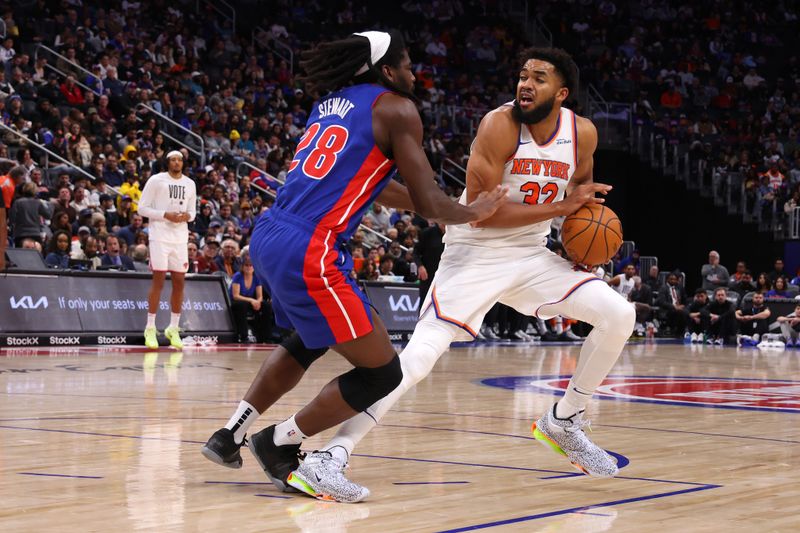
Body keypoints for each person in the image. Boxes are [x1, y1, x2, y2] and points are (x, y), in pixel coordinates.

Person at [203, 45, 627, 501]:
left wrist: (575, 236)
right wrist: (560, 206)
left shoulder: (582, 133)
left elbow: (580, 196)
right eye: (523, 75)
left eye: (539, 78)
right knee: (412, 361)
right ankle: (330, 454)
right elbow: (478, 215)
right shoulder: (498, 125)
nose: (525, 83)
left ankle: (564, 420)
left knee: (619, 315)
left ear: (562, 92)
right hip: (475, 255)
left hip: (531, 254)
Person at [201, 30, 506, 503]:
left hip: (270, 233)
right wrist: (472, 211)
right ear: (387, 71)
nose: (412, 74)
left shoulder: (332, 104)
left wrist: (448, 205)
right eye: (406, 65)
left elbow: (375, 187)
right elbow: (427, 201)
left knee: (308, 339)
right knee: (383, 374)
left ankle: (229, 432)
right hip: (312, 247)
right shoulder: (397, 109)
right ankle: (279, 442)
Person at [137, 150, 197, 349]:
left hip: (180, 238)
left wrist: (186, 217)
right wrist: (165, 214)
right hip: (160, 236)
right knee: (159, 280)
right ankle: (150, 327)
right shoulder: (156, 180)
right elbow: (142, 209)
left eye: (180, 160)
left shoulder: (190, 183)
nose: (177, 162)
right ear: (167, 162)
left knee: (179, 282)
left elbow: (193, 212)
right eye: (173, 159)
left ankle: (173, 327)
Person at [229, 254, 272, 343]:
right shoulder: (238, 276)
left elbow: (260, 296)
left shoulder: (256, 277)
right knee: (242, 305)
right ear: (242, 266)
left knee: (266, 306)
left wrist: (258, 302)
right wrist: (253, 300)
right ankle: (244, 336)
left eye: (251, 265)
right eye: (246, 265)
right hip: (238, 301)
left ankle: (265, 337)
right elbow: (236, 296)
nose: (248, 267)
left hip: (250, 301)